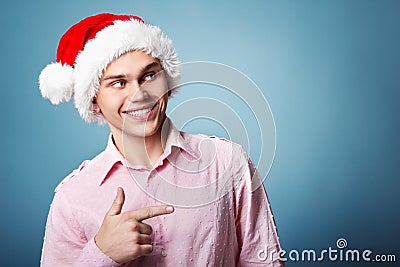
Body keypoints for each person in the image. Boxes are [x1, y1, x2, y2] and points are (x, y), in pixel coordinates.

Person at [39, 13, 284, 267]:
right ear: (94, 102)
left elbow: (264, 259)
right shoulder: (73, 197)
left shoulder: (227, 162)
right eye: (119, 83)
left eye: (149, 76)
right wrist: (102, 254)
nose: (140, 94)